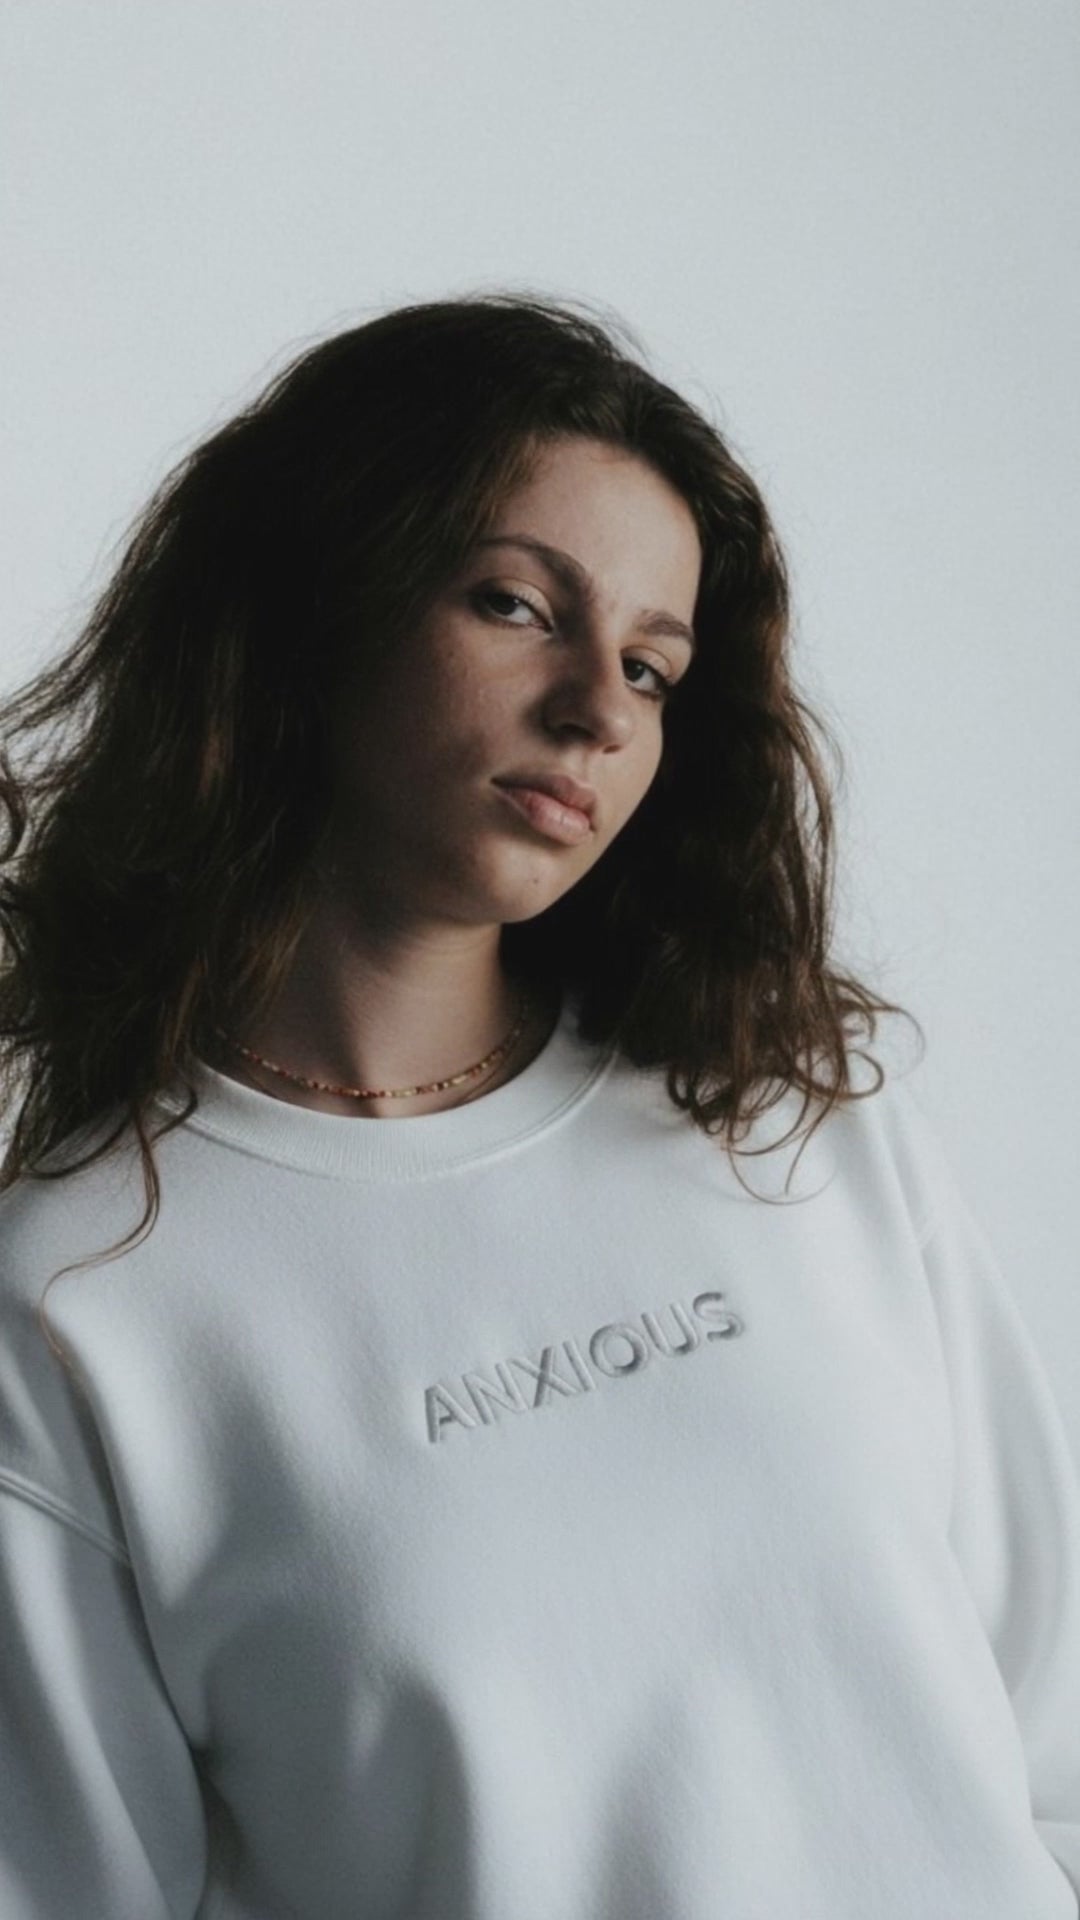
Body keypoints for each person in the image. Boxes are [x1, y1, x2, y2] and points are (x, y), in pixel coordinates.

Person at [0, 290, 1077, 1920]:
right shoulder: (78, 1300)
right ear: (313, 606)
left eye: (655, 667)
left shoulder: (789, 1124)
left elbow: (1052, 1753)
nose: (599, 707)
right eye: (517, 604)